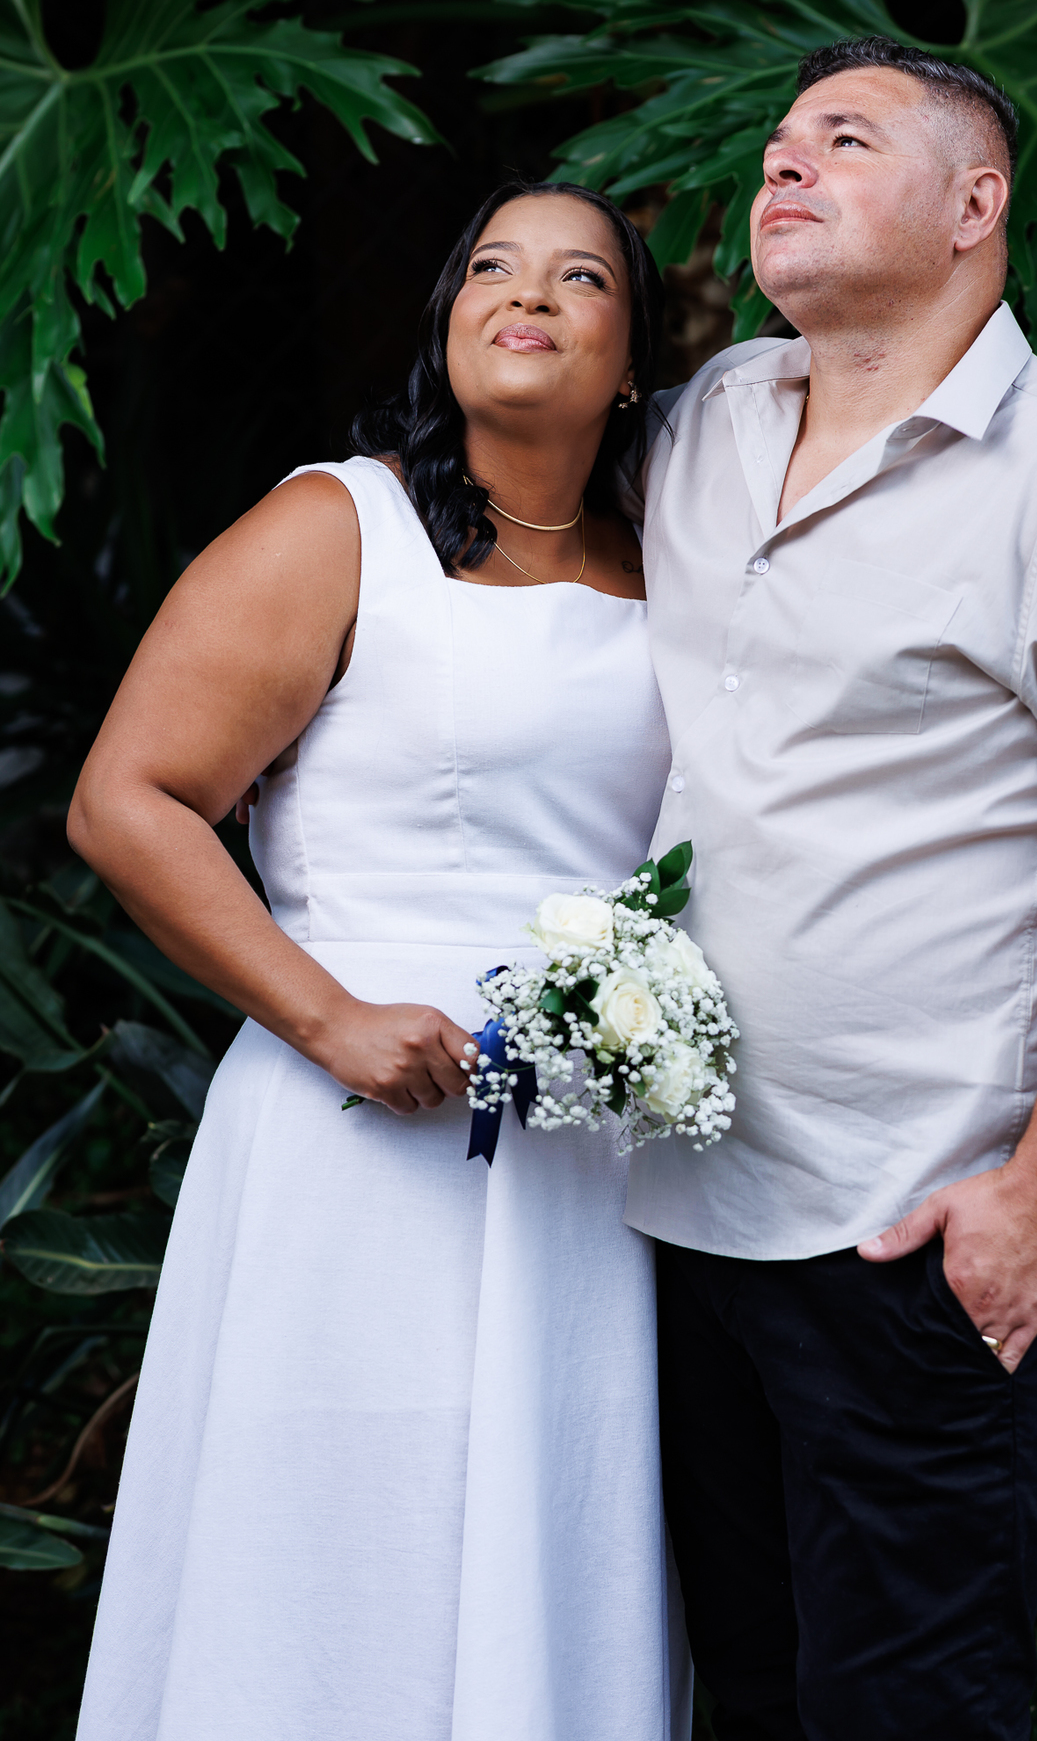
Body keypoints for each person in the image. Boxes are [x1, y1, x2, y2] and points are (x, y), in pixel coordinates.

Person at [625, 36, 1037, 1739]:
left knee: (913, 1713)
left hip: (920, 1232)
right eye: (779, 141)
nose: (783, 162)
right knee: (747, 1695)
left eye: (846, 139)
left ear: (976, 204)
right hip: (683, 1211)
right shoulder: (708, 418)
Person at [68, 181, 690, 1741]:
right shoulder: (344, 526)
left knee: (555, 1529)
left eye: (579, 278)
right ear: (446, 321)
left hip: (579, 1154)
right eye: (491, 267)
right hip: (357, 1134)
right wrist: (328, 1016)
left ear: (632, 362)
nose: (525, 294)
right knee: (343, 1536)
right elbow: (129, 800)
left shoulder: (678, 569)